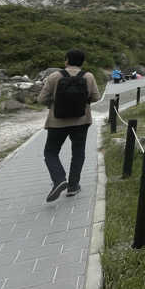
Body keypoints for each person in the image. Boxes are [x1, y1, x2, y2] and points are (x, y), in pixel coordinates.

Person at [37, 48, 100, 202]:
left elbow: (42, 99)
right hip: (81, 121)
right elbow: (96, 97)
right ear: (82, 62)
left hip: (57, 122)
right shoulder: (88, 76)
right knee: (78, 153)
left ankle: (59, 179)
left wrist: (55, 103)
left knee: (50, 153)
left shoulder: (54, 76)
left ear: (66, 60)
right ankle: (73, 186)